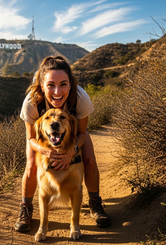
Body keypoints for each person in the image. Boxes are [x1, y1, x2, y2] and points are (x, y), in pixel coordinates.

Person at [15, 56, 111, 232]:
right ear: (42, 86)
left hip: (73, 135)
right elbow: (31, 138)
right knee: (31, 166)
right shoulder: (31, 102)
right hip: (40, 138)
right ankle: (26, 207)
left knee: (89, 160)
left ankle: (95, 204)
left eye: (63, 84)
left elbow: (81, 133)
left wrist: (72, 151)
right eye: (51, 85)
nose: (57, 91)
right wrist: (47, 152)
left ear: (71, 84)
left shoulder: (81, 97)